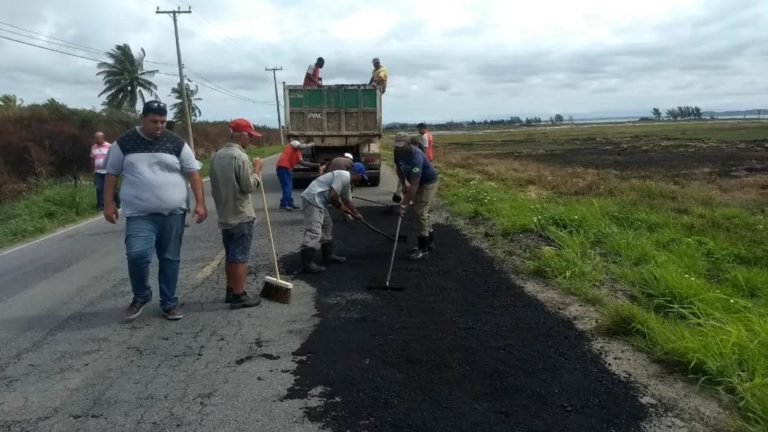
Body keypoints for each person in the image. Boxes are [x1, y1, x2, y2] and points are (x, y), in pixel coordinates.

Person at [103, 100, 207, 321]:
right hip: (140, 214)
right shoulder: (124, 142)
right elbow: (111, 173)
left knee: (170, 259)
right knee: (137, 255)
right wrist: (108, 204)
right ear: (143, 119)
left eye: (163, 121)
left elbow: (193, 174)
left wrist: (200, 203)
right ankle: (141, 295)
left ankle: (169, 303)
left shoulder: (177, 143)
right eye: (154, 121)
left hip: (173, 213)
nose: (159, 126)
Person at [210, 118, 263, 309]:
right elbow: (248, 186)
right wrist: (257, 171)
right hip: (241, 214)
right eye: (249, 136)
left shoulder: (217, 155)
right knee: (240, 256)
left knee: (230, 254)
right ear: (241, 135)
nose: (250, 139)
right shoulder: (240, 157)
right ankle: (240, 295)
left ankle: (230, 289)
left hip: (224, 214)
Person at [299, 164, 366, 273]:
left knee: (327, 225)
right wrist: (340, 207)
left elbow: (348, 201)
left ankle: (328, 255)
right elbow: (333, 196)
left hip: (320, 202)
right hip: (313, 199)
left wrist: (357, 214)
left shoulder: (346, 185)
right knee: (314, 231)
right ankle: (307, 264)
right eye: (361, 177)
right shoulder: (343, 176)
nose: (361, 180)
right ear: (358, 175)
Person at [394, 132, 439, 260]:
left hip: (428, 183)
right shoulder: (397, 151)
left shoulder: (416, 156)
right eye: (397, 145)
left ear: (408, 144)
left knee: (420, 212)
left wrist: (403, 204)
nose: (398, 148)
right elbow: (398, 168)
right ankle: (429, 243)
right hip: (416, 182)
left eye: (401, 146)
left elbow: (414, 184)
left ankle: (423, 249)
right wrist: (403, 185)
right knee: (421, 212)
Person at [275, 135, 320, 211]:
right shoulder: (294, 143)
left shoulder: (298, 153)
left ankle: (289, 203)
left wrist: (316, 165)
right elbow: (299, 146)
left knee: (288, 186)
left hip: (286, 168)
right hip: (283, 166)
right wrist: (311, 144)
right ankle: (285, 204)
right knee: (287, 186)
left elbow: (304, 163)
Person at [90, 131, 111, 210]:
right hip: (98, 172)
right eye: (95, 138)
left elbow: (113, 158)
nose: (96, 140)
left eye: (98, 138)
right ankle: (100, 206)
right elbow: (92, 159)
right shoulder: (93, 147)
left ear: (103, 138)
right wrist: (93, 170)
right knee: (99, 188)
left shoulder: (109, 146)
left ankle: (115, 203)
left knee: (110, 189)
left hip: (108, 171)